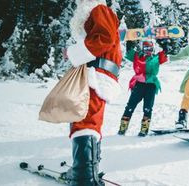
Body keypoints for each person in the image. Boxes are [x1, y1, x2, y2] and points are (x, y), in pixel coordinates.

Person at [64, 0, 121, 185]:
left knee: (84, 121)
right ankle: (88, 172)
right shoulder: (95, 12)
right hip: (93, 73)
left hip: (95, 74)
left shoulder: (100, 9)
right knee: (86, 121)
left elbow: (105, 38)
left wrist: (73, 52)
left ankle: (84, 178)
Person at [118, 40, 168, 137]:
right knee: (130, 107)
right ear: (143, 48)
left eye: (150, 48)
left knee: (147, 108)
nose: (148, 51)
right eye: (146, 48)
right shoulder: (137, 56)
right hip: (139, 85)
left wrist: (164, 45)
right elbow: (128, 53)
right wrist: (130, 44)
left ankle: (144, 130)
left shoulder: (156, 58)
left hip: (151, 85)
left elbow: (165, 54)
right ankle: (122, 128)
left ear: (153, 49)